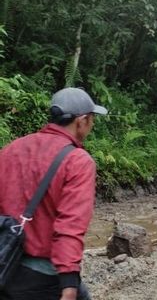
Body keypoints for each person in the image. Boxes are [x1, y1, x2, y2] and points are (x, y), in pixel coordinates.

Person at [0, 87, 107, 300]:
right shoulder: (78, 161)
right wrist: (69, 282)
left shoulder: (12, 148)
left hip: (5, 264)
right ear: (82, 121)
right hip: (43, 275)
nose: (92, 124)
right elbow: (70, 226)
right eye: (92, 118)